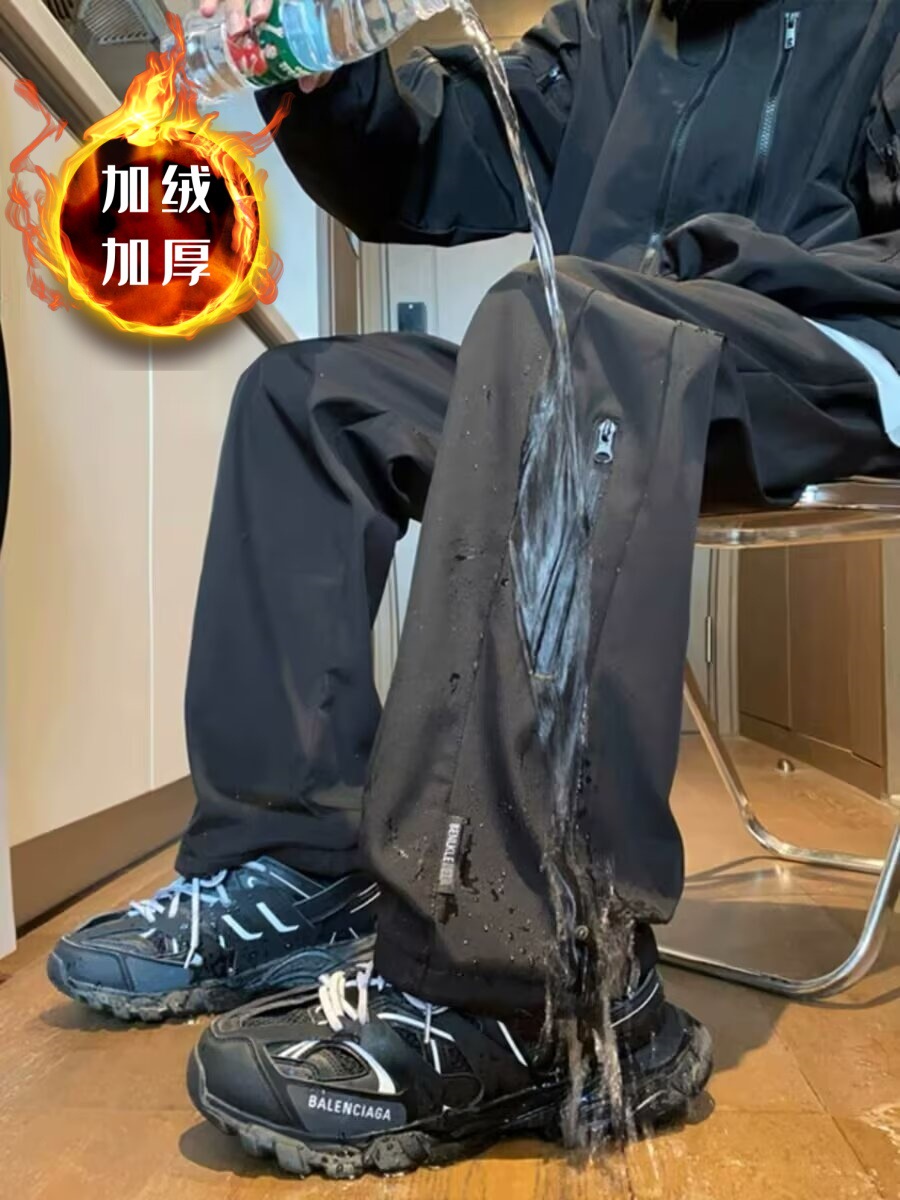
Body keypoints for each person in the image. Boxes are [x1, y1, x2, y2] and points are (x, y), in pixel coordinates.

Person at [49, 0, 900, 1178]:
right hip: (601, 349)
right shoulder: (614, 28)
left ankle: (529, 983)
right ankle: (294, 867)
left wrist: (717, 271)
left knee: (576, 323)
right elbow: (434, 154)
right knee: (309, 400)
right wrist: (328, 78)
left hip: (821, 352)